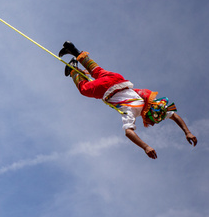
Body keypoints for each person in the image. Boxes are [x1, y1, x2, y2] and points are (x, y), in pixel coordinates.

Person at [60, 41, 198, 159]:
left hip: (117, 79)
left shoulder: (145, 100)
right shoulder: (132, 111)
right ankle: (73, 69)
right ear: (148, 115)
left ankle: (73, 49)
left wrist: (187, 132)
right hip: (107, 89)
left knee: (95, 70)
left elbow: (174, 115)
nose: (152, 124)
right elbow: (128, 132)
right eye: (152, 121)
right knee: (85, 89)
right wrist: (146, 147)